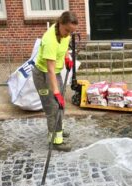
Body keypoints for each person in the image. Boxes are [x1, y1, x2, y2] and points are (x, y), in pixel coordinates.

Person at [33, 11, 78, 151]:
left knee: (60, 105)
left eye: (71, 31)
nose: (68, 34)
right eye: (67, 30)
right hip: (43, 74)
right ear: (60, 23)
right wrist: (56, 92)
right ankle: (55, 141)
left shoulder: (65, 33)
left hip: (55, 73)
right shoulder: (50, 40)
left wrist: (66, 57)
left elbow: (64, 45)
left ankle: (58, 130)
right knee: (53, 107)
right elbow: (50, 69)